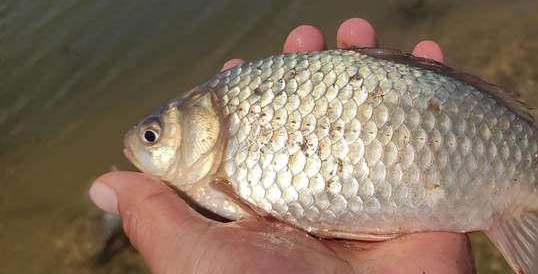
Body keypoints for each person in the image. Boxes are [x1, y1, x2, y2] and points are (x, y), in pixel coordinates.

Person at [89, 18, 475, 274]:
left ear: (203, 125)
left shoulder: (218, 180)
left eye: (152, 136)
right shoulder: (212, 168)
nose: (145, 146)